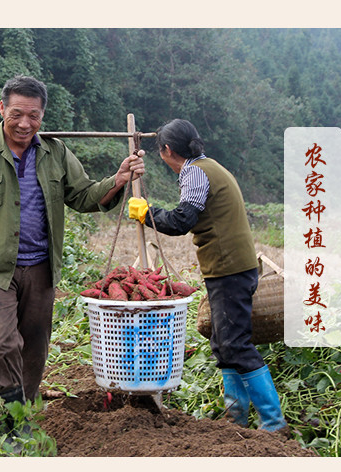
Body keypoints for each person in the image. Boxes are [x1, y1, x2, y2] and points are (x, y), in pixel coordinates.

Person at [0, 75, 142, 419]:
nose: (24, 123)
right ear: (2, 108)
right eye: (16, 113)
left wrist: (119, 179)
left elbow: (83, 196)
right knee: (2, 343)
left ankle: (24, 410)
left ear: (42, 116)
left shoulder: (55, 153)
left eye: (33, 116)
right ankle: (12, 415)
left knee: (35, 347)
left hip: (41, 268)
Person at [130, 118, 289, 437]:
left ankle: (274, 424)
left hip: (229, 267)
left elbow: (181, 220)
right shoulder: (209, 165)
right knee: (222, 342)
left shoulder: (194, 172)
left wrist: (148, 213)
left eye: (161, 153)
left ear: (166, 150)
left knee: (235, 343)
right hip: (230, 266)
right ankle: (236, 418)